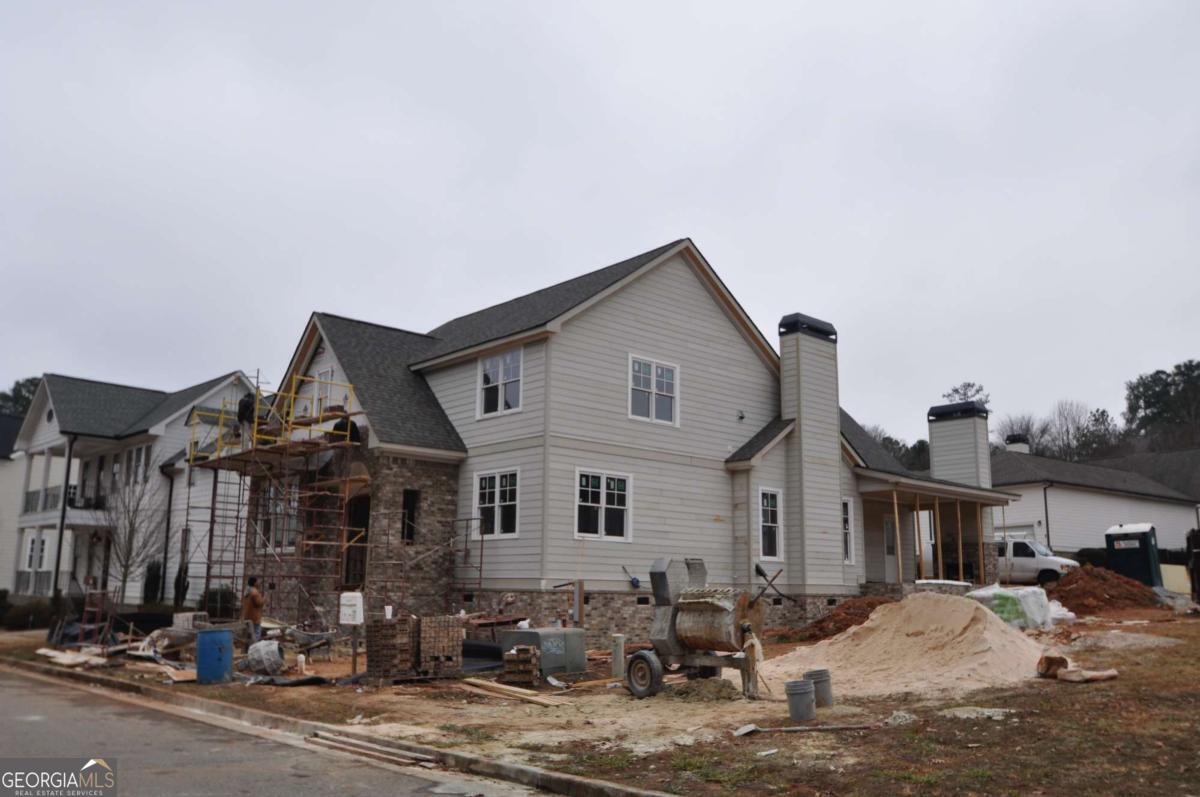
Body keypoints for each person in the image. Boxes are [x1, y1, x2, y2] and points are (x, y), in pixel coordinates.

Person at [241, 577, 265, 644]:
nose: (259, 583)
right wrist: (264, 599)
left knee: (249, 633)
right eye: (257, 581)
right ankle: (254, 647)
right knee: (256, 633)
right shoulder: (255, 592)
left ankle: (247, 648)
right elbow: (259, 603)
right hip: (255, 617)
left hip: (247, 615)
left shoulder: (247, 591)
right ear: (254, 583)